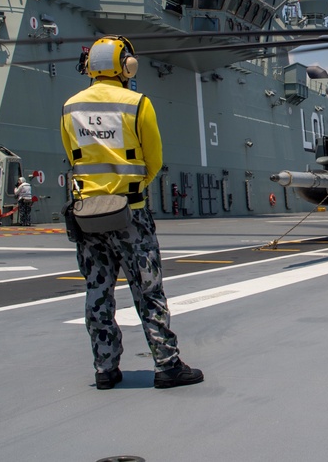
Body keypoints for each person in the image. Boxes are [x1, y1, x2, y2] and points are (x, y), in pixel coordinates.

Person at [61, 35, 203, 390]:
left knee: (97, 291)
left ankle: (104, 368)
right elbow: (153, 159)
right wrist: (132, 189)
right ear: (127, 66)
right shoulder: (137, 103)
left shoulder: (69, 107)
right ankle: (167, 365)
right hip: (130, 213)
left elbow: (72, 154)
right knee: (148, 289)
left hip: (87, 214)